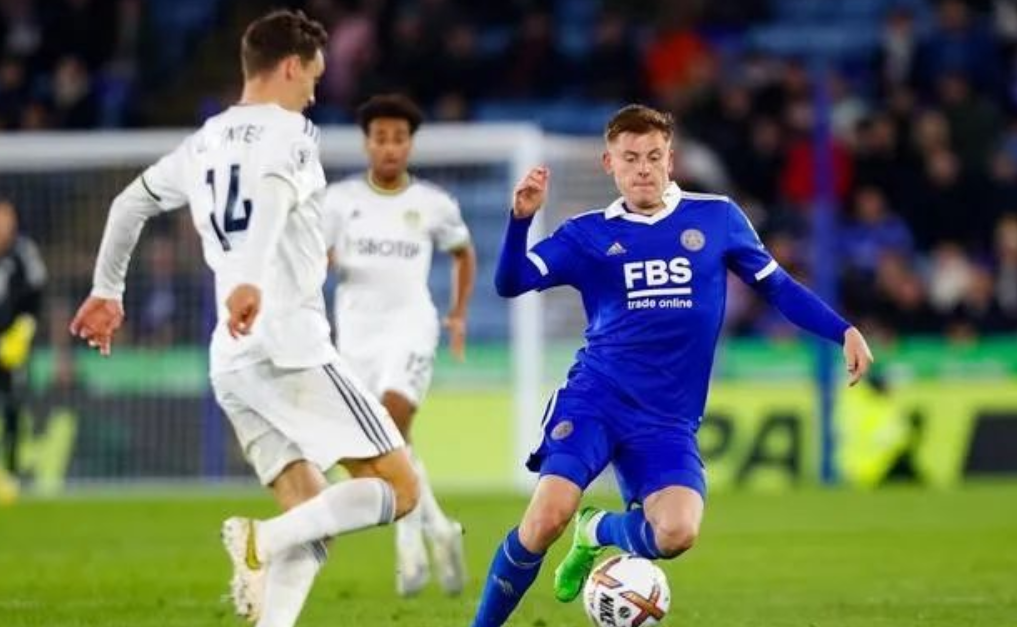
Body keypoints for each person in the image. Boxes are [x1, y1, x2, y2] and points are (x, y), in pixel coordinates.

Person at [68, 10, 418, 627]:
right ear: (289, 68)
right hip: (291, 348)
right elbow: (273, 199)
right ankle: (261, 538)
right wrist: (253, 278)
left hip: (232, 360)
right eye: (313, 78)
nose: (315, 94)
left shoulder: (204, 141)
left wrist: (107, 290)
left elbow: (129, 204)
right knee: (402, 489)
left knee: (311, 514)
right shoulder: (293, 133)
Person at [470, 104, 874, 627]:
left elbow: (778, 288)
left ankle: (596, 531)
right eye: (630, 157)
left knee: (678, 533)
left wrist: (843, 330)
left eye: (653, 156)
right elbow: (512, 282)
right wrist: (520, 220)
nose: (643, 168)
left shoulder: (717, 218)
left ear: (671, 160)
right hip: (596, 399)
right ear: (609, 164)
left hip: (666, 421)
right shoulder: (586, 234)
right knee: (545, 520)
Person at [322, 93, 475, 597]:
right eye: (380, 138)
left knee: (391, 422)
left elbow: (463, 253)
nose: (389, 147)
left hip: (410, 327)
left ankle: (409, 549)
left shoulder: (432, 203)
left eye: (399, 138)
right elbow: (315, 257)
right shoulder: (339, 201)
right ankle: (439, 528)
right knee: (385, 444)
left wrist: (457, 314)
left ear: (410, 144)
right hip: (355, 336)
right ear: (367, 143)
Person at [0, 198, 46, 504]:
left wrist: (23, 332)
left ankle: (12, 472)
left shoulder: (24, 253)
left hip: (11, 344)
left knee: (13, 408)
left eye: (7, 219)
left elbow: (37, 294)